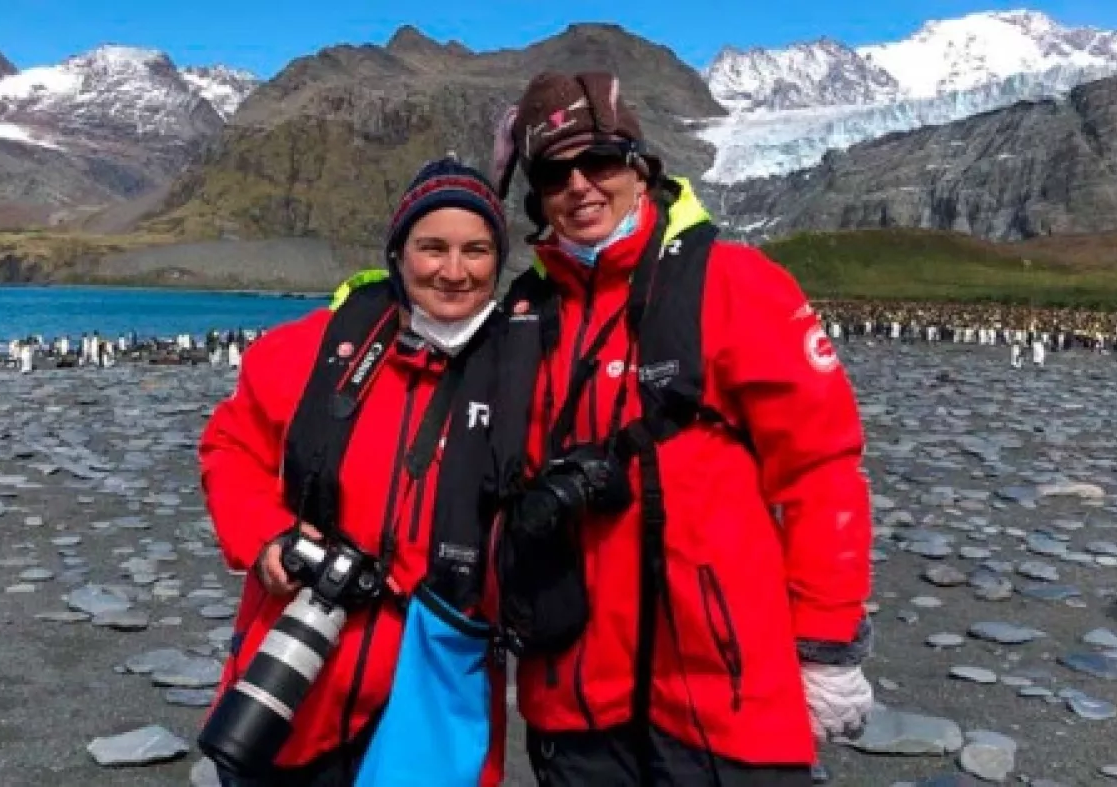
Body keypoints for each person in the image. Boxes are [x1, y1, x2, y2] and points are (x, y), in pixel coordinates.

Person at [488, 71, 875, 786]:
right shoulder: (523, 315)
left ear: (640, 165)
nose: (579, 186)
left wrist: (826, 644)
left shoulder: (734, 283)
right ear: (535, 194)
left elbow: (822, 469)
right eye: (553, 172)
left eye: (598, 161)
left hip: (724, 697)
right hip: (574, 702)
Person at [198, 157, 513, 787]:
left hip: (435, 672)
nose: (454, 271)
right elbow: (230, 447)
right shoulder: (313, 350)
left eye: (476, 250)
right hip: (304, 660)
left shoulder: (523, 370)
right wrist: (267, 537)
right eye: (432, 248)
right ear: (398, 254)